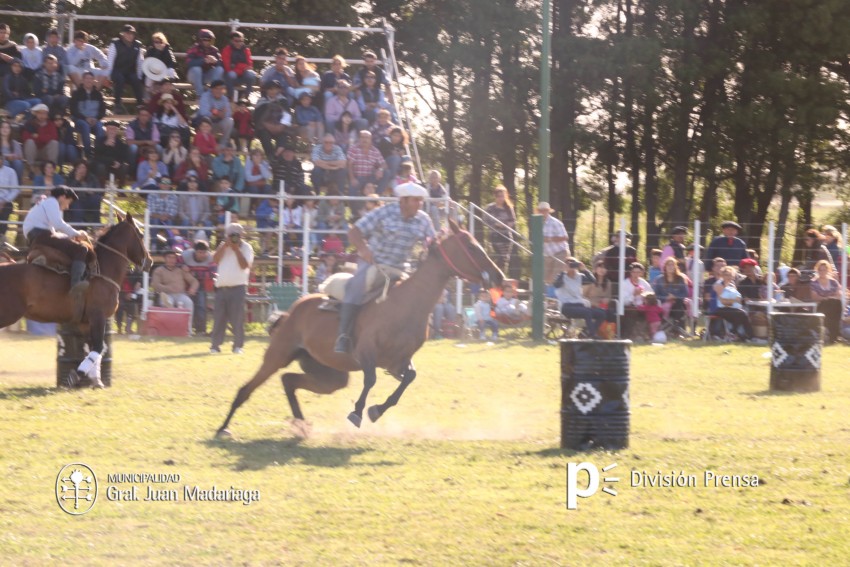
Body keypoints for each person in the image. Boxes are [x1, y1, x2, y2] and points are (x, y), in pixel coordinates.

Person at [334, 182, 436, 353]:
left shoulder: (423, 219)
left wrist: (430, 246)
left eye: (421, 201)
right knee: (355, 286)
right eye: (416, 200)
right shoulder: (383, 212)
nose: (420, 204)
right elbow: (354, 232)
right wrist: (363, 250)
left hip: (401, 269)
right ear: (403, 200)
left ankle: (406, 342)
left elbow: (432, 242)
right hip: (373, 264)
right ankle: (343, 336)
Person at [21, 186, 89, 292]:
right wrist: (77, 233)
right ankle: (76, 284)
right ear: (62, 197)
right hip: (41, 235)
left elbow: (55, 229)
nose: (67, 207)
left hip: (38, 235)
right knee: (82, 249)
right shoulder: (52, 203)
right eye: (68, 202)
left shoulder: (48, 203)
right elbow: (58, 224)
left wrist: (70, 236)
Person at [209, 223, 254, 354]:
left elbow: (244, 265)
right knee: (218, 319)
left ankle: (238, 346)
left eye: (236, 234)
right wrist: (225, 246)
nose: (234, 237)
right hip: (221, 288)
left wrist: (236, 249)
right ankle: (215, 346)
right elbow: (215, 260)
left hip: (238, 288)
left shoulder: (247, 247)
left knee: (237, 319)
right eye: (231, 234)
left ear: (242, 235)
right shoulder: (223, 246)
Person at [151, 250, 199, 335]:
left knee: (188, 302)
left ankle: (188, 331)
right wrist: (168, 288)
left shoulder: (181, 270)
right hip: (166, 294)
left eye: (174, 258)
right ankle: (169, 330)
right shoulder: (159, 270)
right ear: (165, 259)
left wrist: (193, 289)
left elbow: (194, 281)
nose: (171, 260)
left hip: (181, 294)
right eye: (169, 257)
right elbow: (155, 285)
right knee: (168, 303)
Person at [554, 258, 604, 339]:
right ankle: (593, 335)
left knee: (601, 313)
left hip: (579, 306)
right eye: (570, 265)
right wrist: (564, 271)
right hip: (567, 307)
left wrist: (585, 270)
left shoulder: (580, 277)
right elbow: (556, 285)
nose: (572, 267)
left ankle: (588, 332)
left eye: (574, 265)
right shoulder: (561, 276)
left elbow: (593, 281)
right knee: (587, 312)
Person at [106, 24, 144, 114]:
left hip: (129, 71)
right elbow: (110, 61)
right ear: (123, 34)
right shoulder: (115, 44)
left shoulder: (137, 45)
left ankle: (140, 104)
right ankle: (117, 104)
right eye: (128, 33)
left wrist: (139, 76)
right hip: (116, 70)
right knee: (119, 79)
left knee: (136, 79)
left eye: (132, 33)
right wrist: (108, 76)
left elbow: (140, 61)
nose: (130, 35)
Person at [713, 265, 756, 342]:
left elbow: (737, 298)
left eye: (730, 275)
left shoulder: (732, 284)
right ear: (722, 275)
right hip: (719, 309)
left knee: (743, 315)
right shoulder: (719, 285)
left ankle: (747, 336)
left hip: (730, 308)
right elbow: (723, 302)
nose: (728, 277)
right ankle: (742, 335)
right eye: (726, 275)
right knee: (742, 314)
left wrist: (733, 301)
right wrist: (734, 301)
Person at [182, 240, 216, 335]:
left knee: (201, 305)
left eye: (204, 252)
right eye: (200, 252)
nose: (202, 255)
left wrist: (194, 273)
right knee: (186, 305)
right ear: (195, 251)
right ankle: (186, 328)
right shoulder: (185, 255)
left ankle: (200, 330)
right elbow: (177, 264)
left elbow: (213, 274)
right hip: (186, 283)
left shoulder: (211, 258)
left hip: (202, 284)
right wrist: (183, 266)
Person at [70, 71, 106, 157]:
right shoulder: (76, 93)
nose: (89, 81)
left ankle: (98, 153)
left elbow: (102, 110)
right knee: (85, 126)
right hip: (80, 120)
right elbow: (73, 110)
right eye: (87, 78)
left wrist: (96, 118)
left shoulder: (98, 94)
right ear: (82, 80)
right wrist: (85, 118)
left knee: (100, 126)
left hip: (95, 120)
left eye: (91, 79)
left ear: (94, 81)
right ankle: (87, 152)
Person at [484, 186, 516, 274]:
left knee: (505, 259)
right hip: (495, 235)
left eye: (502, 196)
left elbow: (513, 221)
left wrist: (505, 225)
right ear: (495, 196)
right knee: (501, 257)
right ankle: (491, 273)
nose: (501, 198)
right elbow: (485, 220)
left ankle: (500, 278)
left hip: (507, 236)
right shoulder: (490, 208)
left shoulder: (509, 207)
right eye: (499, 196)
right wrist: (495, 224)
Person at [652, 256, 691, 329]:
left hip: (678, 304)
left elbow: (685, 293)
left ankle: (678, 329)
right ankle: (674, 328)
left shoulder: (680, 279)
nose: (670, 267)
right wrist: (666, 298)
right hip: (663, 305)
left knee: (678, 305)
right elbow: (655, 295)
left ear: (675, 267)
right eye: (668, 265)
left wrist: (675, 296)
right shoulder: (659, 279)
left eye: (672, 264)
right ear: (665, 267)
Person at [810, 259, 843, 343]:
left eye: (824, 269)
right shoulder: (814, 283)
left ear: (828, 270)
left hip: (833, 305)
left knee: (836, 303)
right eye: (820, 270)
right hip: (821, 305)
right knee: (830, 303)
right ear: (817, 270)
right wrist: (827, 297)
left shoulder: (833, 282)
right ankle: (833, 336)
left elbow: (838, 294)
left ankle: (834, 336)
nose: (822, 272)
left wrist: (826, 297)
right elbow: (815, 297)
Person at [538, 201, 570, 286]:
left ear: (548, 211)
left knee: (556, 277)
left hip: (560, 252)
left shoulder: (556, 222)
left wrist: (549, 239)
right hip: (547, 255)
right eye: (541, 210)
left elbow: (565, 237)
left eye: (544, 210)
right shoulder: (538, 223)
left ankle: (555, 297)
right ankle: (548, 297)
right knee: (545, 278)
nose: (542, 212)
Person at [347, 130, 385, 198]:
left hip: (371, 178)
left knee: (387, 173)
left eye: (367, 137)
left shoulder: (375, 150)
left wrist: (380, 169)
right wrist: (352, 178)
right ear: (359, 139)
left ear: (370, 139)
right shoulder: (354, 148)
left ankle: (378, 197)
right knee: (352, 191)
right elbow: (349, 164)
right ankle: (355, 208)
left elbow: (383, 163)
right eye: (362, 137)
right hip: (358, 177)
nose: (365, 139)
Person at [196, 79, 233, 148]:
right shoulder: (205, 96)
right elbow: (204, 112)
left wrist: (214, 112)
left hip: (217, 124)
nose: (219, 91)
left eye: (221, 89)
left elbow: (228, 114)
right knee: (205, 119)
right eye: (217, 89)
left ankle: (223, 144)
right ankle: (204, 144)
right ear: (212, 89)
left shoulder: (225, 99)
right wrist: (219, 113)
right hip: (206, 124)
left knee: (230, 121)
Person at [21, 103, 59, 171]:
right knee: (29, 142)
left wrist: (37, 136)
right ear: (36, 114)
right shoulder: (30, 123)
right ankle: (30, 167)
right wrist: (45, 138)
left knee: (54, 143)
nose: (42, 115)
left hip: (45, 151)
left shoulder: (50, 124)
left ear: (47, 114)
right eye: (40, 113)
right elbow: (25, 137)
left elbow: (54, 137)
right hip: (33, 151)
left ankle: (52, 167)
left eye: (44, 113)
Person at [91, 119, 129, 186]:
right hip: (103, 167)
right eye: (109, 129)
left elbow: (124, 157)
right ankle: (101, 189)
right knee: (100, 167)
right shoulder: (99, 141)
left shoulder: (120, 143)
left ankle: (121, 189)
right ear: (106, 130)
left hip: (115, 168)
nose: (111, 131)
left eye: (113, 129)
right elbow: (96, 156)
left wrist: (119, 162)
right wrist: (105, 144)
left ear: (116, 131)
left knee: (124, 167)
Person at [186, 29, 223, 96]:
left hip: (207, 76)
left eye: (209, 40)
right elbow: (189, 62)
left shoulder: (214, 50)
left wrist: (215, 61)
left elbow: (222, 64)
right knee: (197, 69)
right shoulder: (194, 48)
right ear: (200, 40)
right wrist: (203, 60)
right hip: (194, 76)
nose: (207, 42)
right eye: (205, 40)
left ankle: (210, 93)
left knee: (220, 69)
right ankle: (200, 95)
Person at [620, 262, 652, 339]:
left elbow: (651, 294)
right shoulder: (625, 283)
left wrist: (646, 297)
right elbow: (623, 301)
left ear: (641, 273)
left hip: (643, 306)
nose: (636, 274)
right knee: (631, 311)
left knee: (653, 309)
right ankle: (628, 336)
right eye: (634, 272)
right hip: (629, 307)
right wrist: (633, 295)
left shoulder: (643, 282)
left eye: (638, 272)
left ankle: (649, 335)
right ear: (630, 273)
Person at [221, 31, 256, 98]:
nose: (239, 43)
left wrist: (236, 66)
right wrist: (243, 67)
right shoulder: (226, 50)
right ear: (232, 41)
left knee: (251, 74)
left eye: (241, 41)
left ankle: (247, 97)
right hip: (231, 77)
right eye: (236, 41)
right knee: (231, 74)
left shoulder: (246, 50)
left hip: (242, 76)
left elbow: (250, 65)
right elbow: (228, 67)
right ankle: (230, 97)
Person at [0, 156, 18, 244]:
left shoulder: (10, 172)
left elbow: (15, 190)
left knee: (6, 209)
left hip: (6, 201)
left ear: (2, 159)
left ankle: (2, 237)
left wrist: (4, 201)